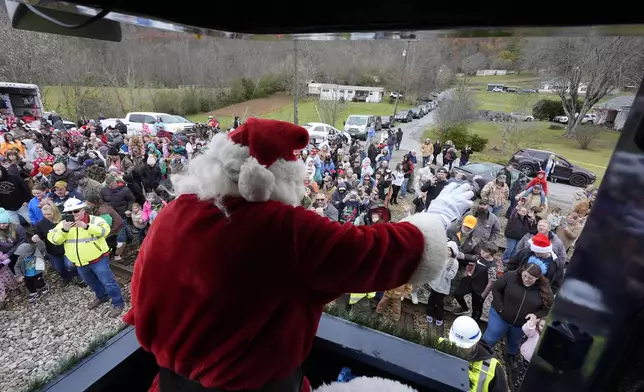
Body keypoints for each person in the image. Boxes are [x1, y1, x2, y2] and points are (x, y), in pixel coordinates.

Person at [123, 118, 475, 392]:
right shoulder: (282, 228)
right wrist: (437, 219)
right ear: (272, 179)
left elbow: (142, 294)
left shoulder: (174, 212)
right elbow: (371, 252)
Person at [48, 198, 125, 318]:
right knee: (91, 282)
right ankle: (102, 297)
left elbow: (105, 231)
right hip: (80, 262)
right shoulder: (63, 225)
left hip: (98, 259)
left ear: (83, 209)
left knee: (108, 282)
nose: (73, 214)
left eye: (76, 211)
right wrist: (64, 230)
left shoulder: (95, 220)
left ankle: (118, 303)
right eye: (70, 212)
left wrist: (87, 227)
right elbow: (53, 239)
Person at [483, 263, 552, 371]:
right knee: (490, 337)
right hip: (500, 316)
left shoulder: (544, 289)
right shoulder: (510, 276)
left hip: (521, 324)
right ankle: (481, 353)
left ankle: (511, 355)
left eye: (531, 278)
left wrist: (536, 315)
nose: (526, 279)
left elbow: (548, 306)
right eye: (525, 275)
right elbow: (496, 289)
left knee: (515, 342)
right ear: (521, 271)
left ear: (538, 279)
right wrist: (500, 306)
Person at [444, 316, 507, 392]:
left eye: (464, 347)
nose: (458, 349)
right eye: (455, 345)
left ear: (476, 342)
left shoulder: (493, 369)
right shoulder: (439, 347)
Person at [33, 201, 79, 285]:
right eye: (45, 214)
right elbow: (39, 233)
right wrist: (37, 236)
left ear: (54, 212)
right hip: (52, 249)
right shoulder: (41, 224)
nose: (47, 216)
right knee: (58, 267)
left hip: (66, 247)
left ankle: (78, 276)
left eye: (49, 214)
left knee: (70, 265)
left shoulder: (64, 220)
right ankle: (66, 278)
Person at [453, 242, 498, 321]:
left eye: (486, 251)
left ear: (491, 253)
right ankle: (464, 308)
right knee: (457, 293)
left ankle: (474, 322)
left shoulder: (492, 266)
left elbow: (491, 283)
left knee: (476, 308)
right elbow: (475, 264)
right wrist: (470, 274)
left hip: (480, 289)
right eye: (482, 250)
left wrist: (483, 295)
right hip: (471, 281)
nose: (482, 252)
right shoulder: (480, 257)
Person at [426, 241, 459, 327]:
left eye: (449, 250)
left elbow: (451, 276)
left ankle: (439, 317)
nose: (447, 252)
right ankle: (430, 313)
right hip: (435, 283)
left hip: (443, 285)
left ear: (453, 252)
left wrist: (446, 270)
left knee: (439, 301)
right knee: (431, 298)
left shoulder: (454, 262)